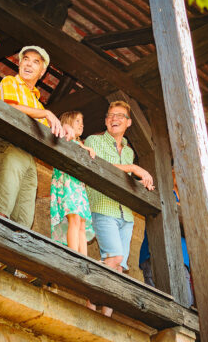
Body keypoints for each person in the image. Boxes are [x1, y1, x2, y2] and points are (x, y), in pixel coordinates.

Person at [0, 46, 73, 229]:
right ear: (19, 64)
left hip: (29, 158)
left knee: (24, 223)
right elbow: (10, 109)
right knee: (3, 206)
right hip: (8, 146)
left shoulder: (37, 104)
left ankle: (8, 258)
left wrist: (67, 130)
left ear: (42, 72)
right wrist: (47, 114)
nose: (29, 64)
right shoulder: (10, 82)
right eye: (26, 59)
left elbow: (52, 134)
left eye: (36, 62)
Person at [84, 101, 154, 316]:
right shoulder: (93, 140)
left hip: (126, 214)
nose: (114, 119)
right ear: (105, 121)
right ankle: (89, 302)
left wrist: (139, 183)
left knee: (120, 267)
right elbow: (101, 167)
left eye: (120, 116)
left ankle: (106, 317)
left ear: (129, 122)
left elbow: (124, 179)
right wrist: (133, 169)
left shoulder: (129, 152)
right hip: (103, 206)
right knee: (113, 259)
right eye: (111, 116)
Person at [50, 111, 96, 254]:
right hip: (67, 183)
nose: (81, 124)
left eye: (82, 122)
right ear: (68, 122)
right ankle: (74, 254)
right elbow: (63, 133)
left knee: (81, 222)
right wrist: (84, 147)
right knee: (75, 218)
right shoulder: (64, 134)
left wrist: (85, 147)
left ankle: (84, 257)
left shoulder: (79, 143)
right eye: (77, 121)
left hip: (78, 185)